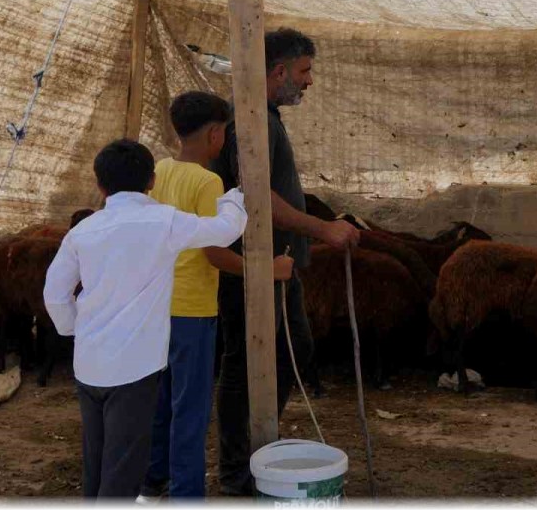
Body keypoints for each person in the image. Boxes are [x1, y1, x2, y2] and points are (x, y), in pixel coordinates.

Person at [44, 139, 248, 499]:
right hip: (133, 370)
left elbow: (55, 294)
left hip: (89, 365)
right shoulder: (162, 221)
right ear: (151, 181)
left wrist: (76, 330)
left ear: (99, 185)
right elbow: (226, 229)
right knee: (123, 470)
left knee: (97, 459)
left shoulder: (83, 231)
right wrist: (234, 198)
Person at [211, 28, 361, 496]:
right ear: (278, 72)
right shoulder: (250, 121)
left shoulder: (266, 118)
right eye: (304, 71)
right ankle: (240, 470)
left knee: (288, 348)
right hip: (255, 266)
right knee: (245, 362)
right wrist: (323, 229)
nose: (309, 81)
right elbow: (257, 197)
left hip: (278, 263)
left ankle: (259, 454)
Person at [138, 93, 294, 501]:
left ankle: (154, 479)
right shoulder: (208, 182)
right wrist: (265, 270)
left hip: (158, 307)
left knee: (163, 401)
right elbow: (212, 250)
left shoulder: (158, 171)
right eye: (224, 132)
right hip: (193, 310)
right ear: (214, 134)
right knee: (191, 409)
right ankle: (187, 495)